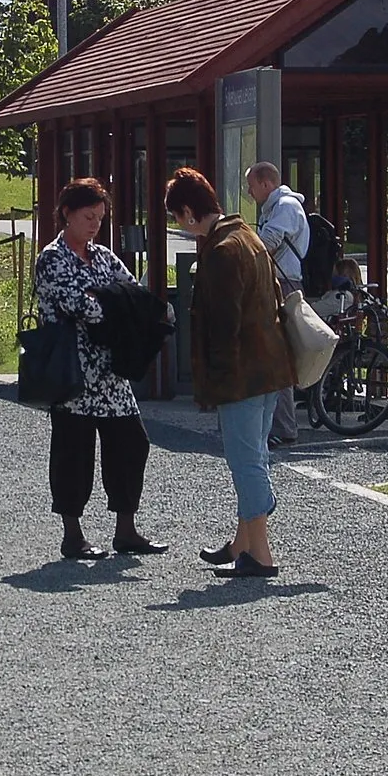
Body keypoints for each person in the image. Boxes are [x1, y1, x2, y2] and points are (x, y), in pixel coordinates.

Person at [166, 167, 293, 579]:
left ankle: (260, 556)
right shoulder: (248, 236)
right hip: (269, 367)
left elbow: (223, 326)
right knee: (255, 453)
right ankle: (242, 542)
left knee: (246, 462)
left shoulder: (222, 251)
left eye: (177, 219)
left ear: (188, 211)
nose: (180, 228)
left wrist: (213, 386)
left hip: (240, 373)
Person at [34, 178, 165, 560]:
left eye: (100, 218)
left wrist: (120, 306)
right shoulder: (52, 258)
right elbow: (80, 306)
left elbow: (134, 294)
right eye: (89, 216)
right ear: (66, 214)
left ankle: (126, 529)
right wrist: (113, 306)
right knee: (73, 452)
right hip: (73, 371)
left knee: (132, 444)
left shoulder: (104, 256)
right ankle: (72, 534)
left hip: (111, 373)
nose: (95, 224)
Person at [247, 162, 308, 447]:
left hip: (285, 285)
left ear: (265, 184)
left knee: (278, 356)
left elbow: (270, 240)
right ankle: (277, 424)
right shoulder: (279, 207)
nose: (249, 192)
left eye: (251, 186)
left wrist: (242, 252)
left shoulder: (284, 206)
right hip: (282, 282)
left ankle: (283, 427)